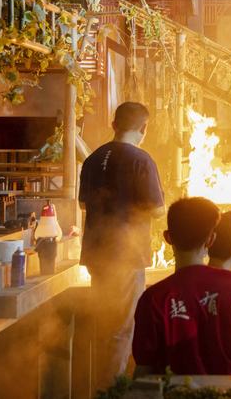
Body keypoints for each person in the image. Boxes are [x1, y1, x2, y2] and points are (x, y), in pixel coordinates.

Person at [78, 101, 165, 388]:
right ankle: (111, 392)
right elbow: (155, 208)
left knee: (103, 327)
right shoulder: (142, 160)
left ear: (114, 124)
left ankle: (98, 389)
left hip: (96, 255)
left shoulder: (92, 159)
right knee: (120, 331)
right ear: (144, 128)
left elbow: (82, 203)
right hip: (125, 258)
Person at [133, 198, 231, 376]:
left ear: (168, 237)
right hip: (230, 394)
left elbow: (144, 369)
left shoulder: (153, 298)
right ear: (211, 239)